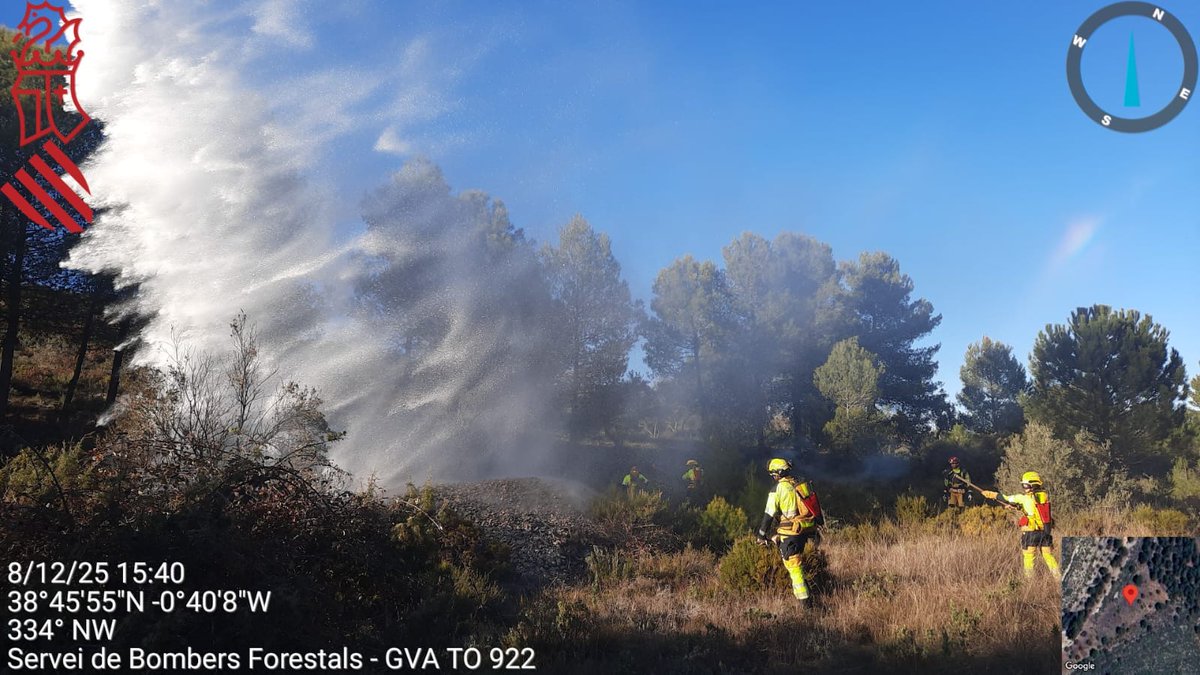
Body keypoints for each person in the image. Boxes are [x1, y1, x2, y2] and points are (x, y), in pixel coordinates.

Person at [755, 458, 819, 601]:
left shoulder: (778, 489)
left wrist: (761, 535)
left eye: (773, 473)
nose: (772, 476)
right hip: (804, 530)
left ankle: (806, 604)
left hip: (790, 534)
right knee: (798, 566)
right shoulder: (798, 484)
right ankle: (809, 596)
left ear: (778, 473)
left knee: (794, 568)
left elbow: (768, 514)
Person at [981, 471, 1061, 580]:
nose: (1024, 487)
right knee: (1048, 556)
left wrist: (990, 494)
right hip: (1046, 531)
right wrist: (1017, 507)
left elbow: (1005, 498)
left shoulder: (1023, 498)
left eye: (1025, 485)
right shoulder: (1044, 496)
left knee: (1029, 558)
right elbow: (1033, 509)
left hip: (1031, 533)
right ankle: (1058, 578)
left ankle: (1029, 583)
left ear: (1032, 485)